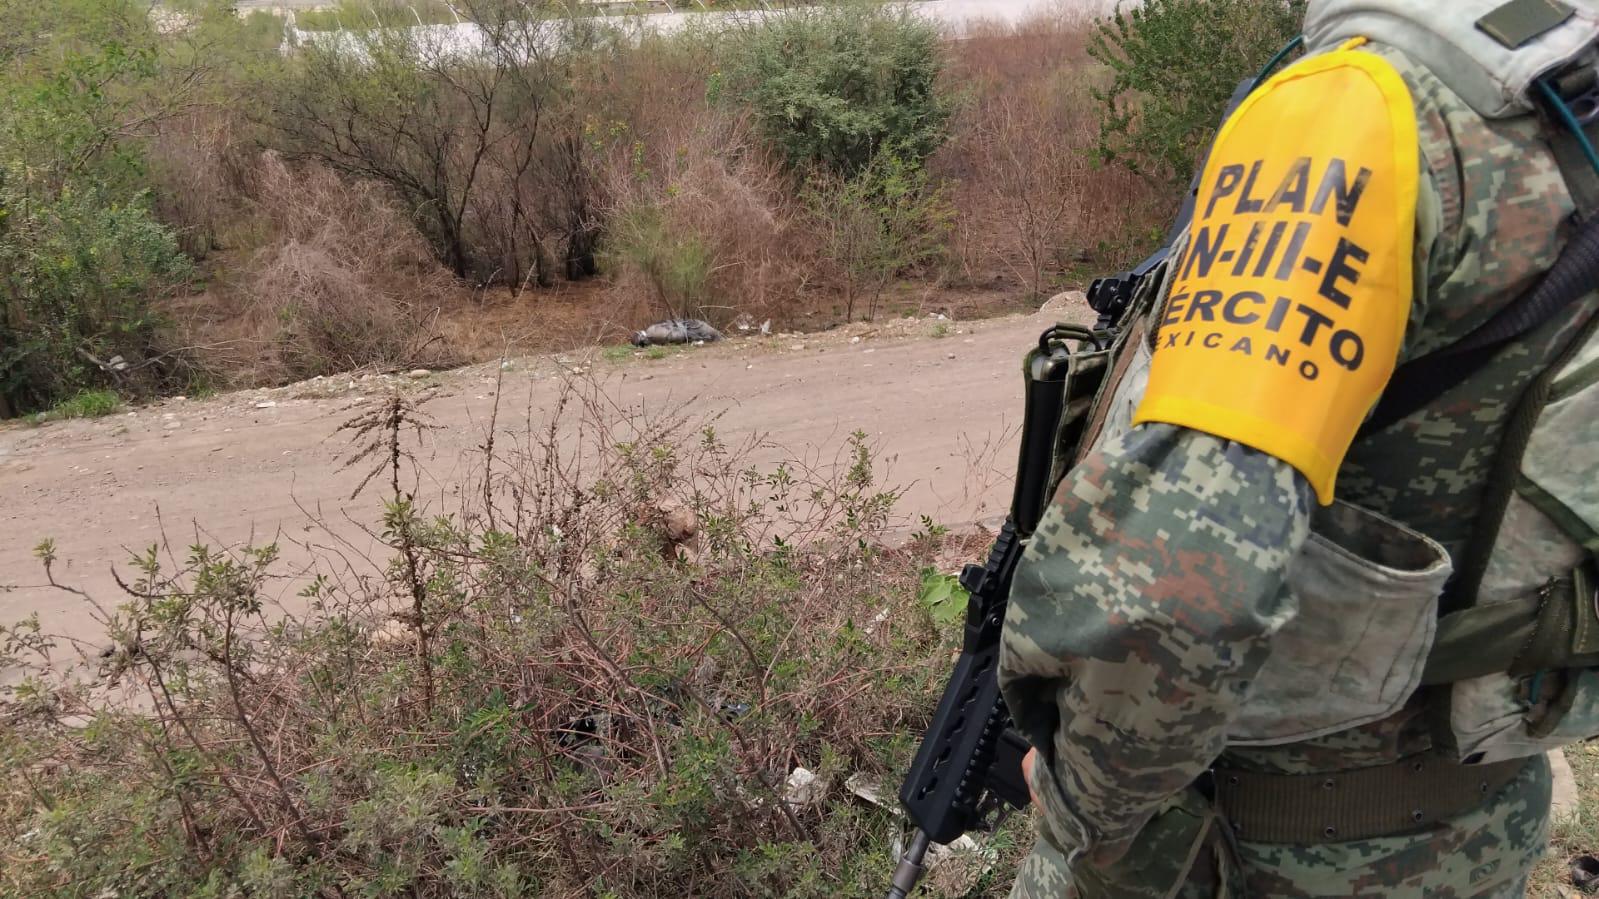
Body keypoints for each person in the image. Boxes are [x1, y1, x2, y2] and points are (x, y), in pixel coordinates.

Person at [997, 1, 1599, 895]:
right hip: (1476, 825)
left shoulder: (1359, 105)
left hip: (1256, 849)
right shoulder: (1568, 89)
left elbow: (1179, 590)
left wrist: (1079, 812)